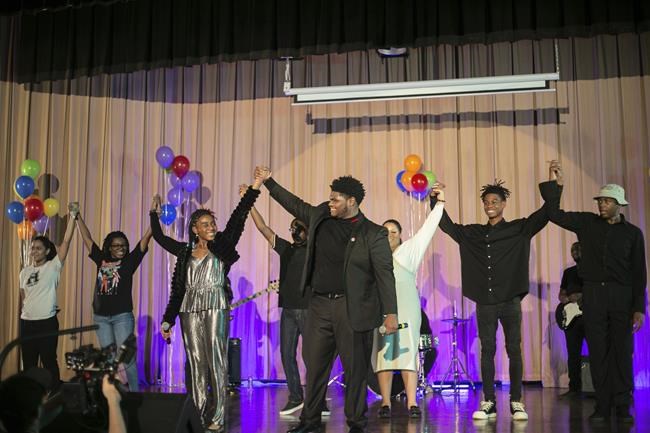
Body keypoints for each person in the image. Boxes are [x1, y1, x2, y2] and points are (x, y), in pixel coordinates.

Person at [255, 166, 398, 433]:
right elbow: (293, 204)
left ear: (351, 201)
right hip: (319, 305)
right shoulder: (321, 216)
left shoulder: (372, 233)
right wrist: (268, 182)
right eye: (330, 198)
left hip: (352, 307)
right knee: (315, 366)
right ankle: (309, 421)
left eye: (335, 199)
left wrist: (391, 312)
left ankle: (356, 424)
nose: (330, 202)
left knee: (355, 369)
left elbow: (384, 275)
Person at [434, 168, 560, 421]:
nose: (490, 205)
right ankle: (489, 401)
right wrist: (437, 199)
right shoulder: (474, 234)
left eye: (494, 201)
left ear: (503, 204)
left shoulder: (519, 228)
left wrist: (553, 185)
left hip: (510, 299)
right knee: (487, 351)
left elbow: (546, 213)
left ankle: (516, 401)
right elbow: (446, 226)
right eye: (486, 202)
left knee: (514, 349)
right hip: (486, 302)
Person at [151, 180, 262, 433]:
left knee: (217, 360)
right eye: (205, 224)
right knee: (196, 362)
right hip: (189, 308)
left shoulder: (222, 247)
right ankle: (198, 413)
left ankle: (219, 415)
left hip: (215, 304)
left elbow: (238, 218)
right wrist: (168, 320)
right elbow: (160, 241)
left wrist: (254, 187)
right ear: (195, 229)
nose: (211, 227)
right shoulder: (184, 252)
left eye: (212, 223)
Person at [542, 161, 647, 422]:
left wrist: (639, 308)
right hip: (594, 296)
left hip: (622, 297)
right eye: (600, 200)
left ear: (619, 204)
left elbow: (639, 273)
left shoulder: (633, 234)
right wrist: (557, 184)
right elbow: (555, 215)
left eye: (607, 201)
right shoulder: (587, 223)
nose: (601, 204)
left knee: (622, 352)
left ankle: (622, 406)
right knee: (598, 352)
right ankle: (602, 405)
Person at [240, 184, 325, 416]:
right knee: (287, 354)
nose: (295, 232)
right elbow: (263, 228)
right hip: (288, 309)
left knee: (312, 356)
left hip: (309, 309)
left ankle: (318, 400)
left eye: (299, 228)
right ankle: (296, 396)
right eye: (292, 228)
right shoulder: (286, 249)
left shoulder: (316, 251)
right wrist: (249, 203)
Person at [372, 186, 444, 418]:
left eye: (394, 231)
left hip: (407, 308)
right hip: (382, 309)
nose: (390, 235)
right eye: (385, 231)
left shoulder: (409, 251)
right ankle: (385, 402)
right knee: (383, 356)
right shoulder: (374, 255)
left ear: (401, 235)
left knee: (408, 354)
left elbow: (428, 229)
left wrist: (439, 203)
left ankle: (412, 402)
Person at [76, 209, 153, 391]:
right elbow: (87, 239)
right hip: (101, 317)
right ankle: (112, 395)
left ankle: (134, 395)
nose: (121, 248)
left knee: (127, 359)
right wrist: (77, 217)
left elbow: (145, 239)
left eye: (124, 245)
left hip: (122, 317)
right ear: (109, 247)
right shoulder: (101, 259)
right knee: (108, 361)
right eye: (117, 245)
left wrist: (153, 216)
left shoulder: (130, 261)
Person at [19, 208, 77, 392]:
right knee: (29, 362)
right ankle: (31, 396)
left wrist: (73, 217)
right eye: (32, 248)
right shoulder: (24, 272)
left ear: (47, 251)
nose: (34, 251)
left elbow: (66, 242)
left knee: (48, 360)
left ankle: (54, 394)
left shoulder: (53, 267)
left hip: (47, 322)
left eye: (38, 248)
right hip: (27, 323)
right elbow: (24, 296)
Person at [557, 241, 586, 399]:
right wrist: (567, 298)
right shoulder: (568, 272)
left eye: (578, 249)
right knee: (573, 354)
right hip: (572, 320)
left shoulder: (592, 270)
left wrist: (582, 296)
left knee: (598, 353)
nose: (575, 252)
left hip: (590, 316)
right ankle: (574, 388)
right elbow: (561, 294)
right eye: (572, 250)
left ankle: (599, 389)